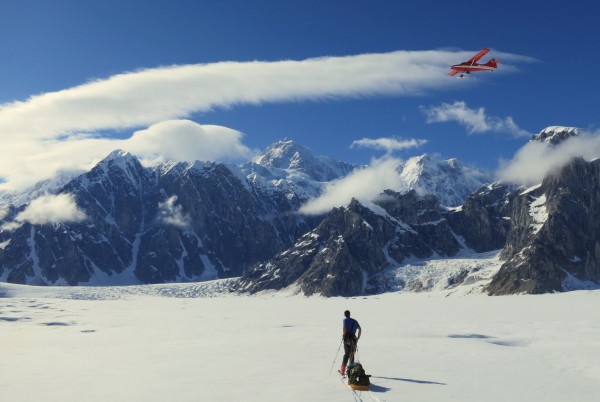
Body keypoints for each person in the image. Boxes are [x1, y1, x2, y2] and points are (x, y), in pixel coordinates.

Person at [339, 310, 361, 376]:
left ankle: (342, 370)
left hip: (347, 339)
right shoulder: (355, 321)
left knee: (346, 354)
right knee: (352, 353)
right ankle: (351, 370)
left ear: (345, 315)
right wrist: (358, 338)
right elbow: (360, 328)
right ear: (350, 314)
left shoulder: (345, 320)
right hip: (354, 339)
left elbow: (344, 327)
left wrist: (344, 335)